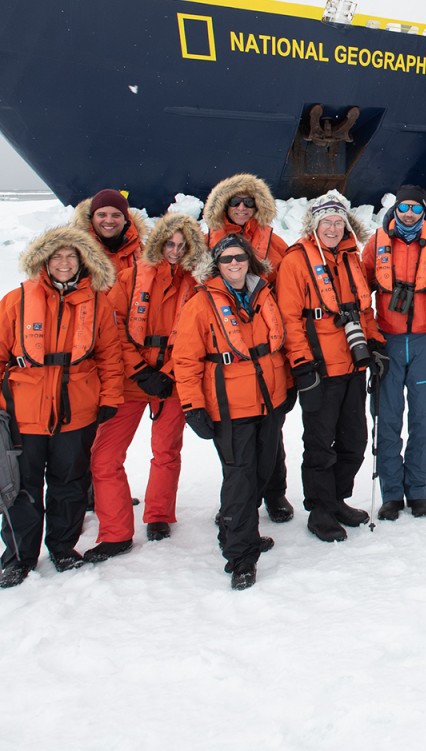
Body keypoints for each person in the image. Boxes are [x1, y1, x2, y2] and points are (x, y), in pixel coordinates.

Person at [0, 227, 122, 587]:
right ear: (44, 261)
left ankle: (63, 548)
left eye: (71, 256)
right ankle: (19, 557)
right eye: (57, 256)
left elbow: (110, 358)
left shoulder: (98, 303)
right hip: (24, 413)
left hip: (77, 410)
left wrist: (110, 398)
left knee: (69, 484)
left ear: (83, 261)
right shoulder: (15, 301)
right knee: (21, 487)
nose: (64, 263)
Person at [171, 235, 290, 589]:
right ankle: (241, 557)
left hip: (267, 400)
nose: (234, 264)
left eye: (240, 258)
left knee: (262, 470)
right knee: (239, 480)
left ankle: (237, 530)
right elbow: (186, 360)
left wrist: (287, 388)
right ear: (216, 265)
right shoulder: (200, 304)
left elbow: (275, 350)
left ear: (249, 261)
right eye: (226, 260)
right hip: (228, 406)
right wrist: (193, 406)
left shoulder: (263, 294)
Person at [86, 214, 205, 563]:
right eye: (170, 244)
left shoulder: (199, 284)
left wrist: (168, 372)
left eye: (183, 246)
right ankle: (116, 532)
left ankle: (158, 515)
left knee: (166, 450)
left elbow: (198, 332)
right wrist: (139, 370)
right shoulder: (128, 277)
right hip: (131, 378)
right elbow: (113, 326)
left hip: (174, 378)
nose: (175, 251)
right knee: (105, 457)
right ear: (158, 244)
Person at [277, 191, 381, 543]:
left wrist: (374, 341)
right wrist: (302, 364)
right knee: (320, 444)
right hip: (319, 369)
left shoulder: (352, 258)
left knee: (354, 440)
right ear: (314, 225)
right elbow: (289, 319)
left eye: (339, 222)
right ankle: (320, 510)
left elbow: (363, 309)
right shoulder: (296, 262)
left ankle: (337, 499)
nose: (333, 228)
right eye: (327, 222)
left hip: (353, 366)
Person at [203, 174, 293, 523]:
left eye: (248, 203)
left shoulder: (273, 241)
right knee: (235, 439)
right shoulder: (205, 240)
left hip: (266, 345)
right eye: (235, 203)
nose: (241, 208)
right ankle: (240, 502)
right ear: (223, 206)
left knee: (271, 432)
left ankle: (275, 494)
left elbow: (291, 283)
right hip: (225, 350)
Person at [361, 186, 426, 521]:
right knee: (387, 420)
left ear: (423, 210)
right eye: (404, 207)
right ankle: (391, 493)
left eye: (415, 208)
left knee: (424, 421)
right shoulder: (377, 242)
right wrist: (370, 339)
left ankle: (417, 489)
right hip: (388, 342)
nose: (409, 213)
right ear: (395, 209)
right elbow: (359, 290)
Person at [73, 189, 148, 274]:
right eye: (101, 215)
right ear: (92, 219)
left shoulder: (142, 252)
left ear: (125, 220)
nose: (109, 221)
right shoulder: (75, 253)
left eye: (116, 215)